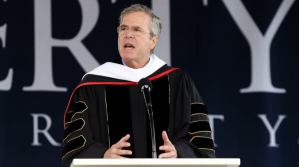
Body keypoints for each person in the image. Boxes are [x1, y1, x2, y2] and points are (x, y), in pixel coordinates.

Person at [62, 4, 215, 167]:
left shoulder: (178, 81)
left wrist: (178, 151)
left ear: (153, 41)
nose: (128, 35)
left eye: (137, 30)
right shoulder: (93, 84)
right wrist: (102, 154)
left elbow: (199, 138)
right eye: (123, 29)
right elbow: (76, 141)